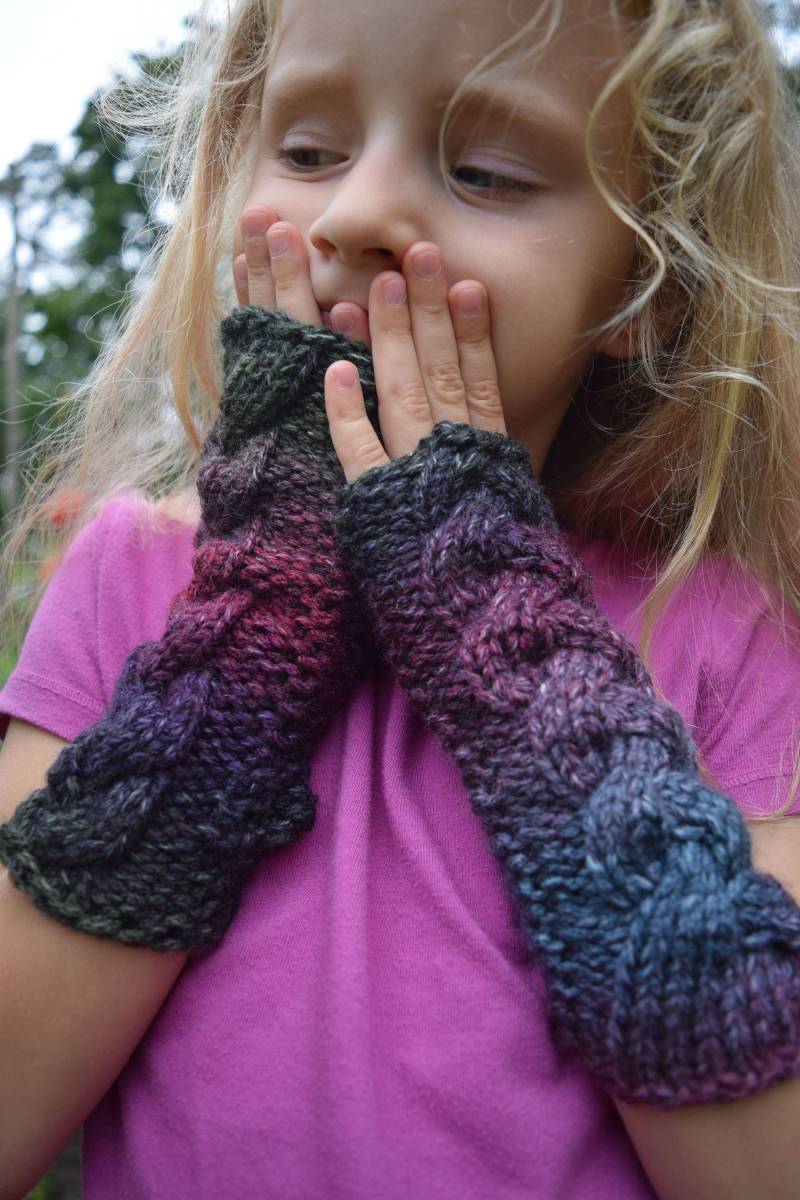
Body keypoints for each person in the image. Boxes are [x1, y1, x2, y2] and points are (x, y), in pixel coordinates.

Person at [1, 0, 800, 1195]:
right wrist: (246, 641)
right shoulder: (134, 582)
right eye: (308, 152)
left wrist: (513, 648)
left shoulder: (720, 631)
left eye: (483, 170)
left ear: (648, 291)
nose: (355, 212)